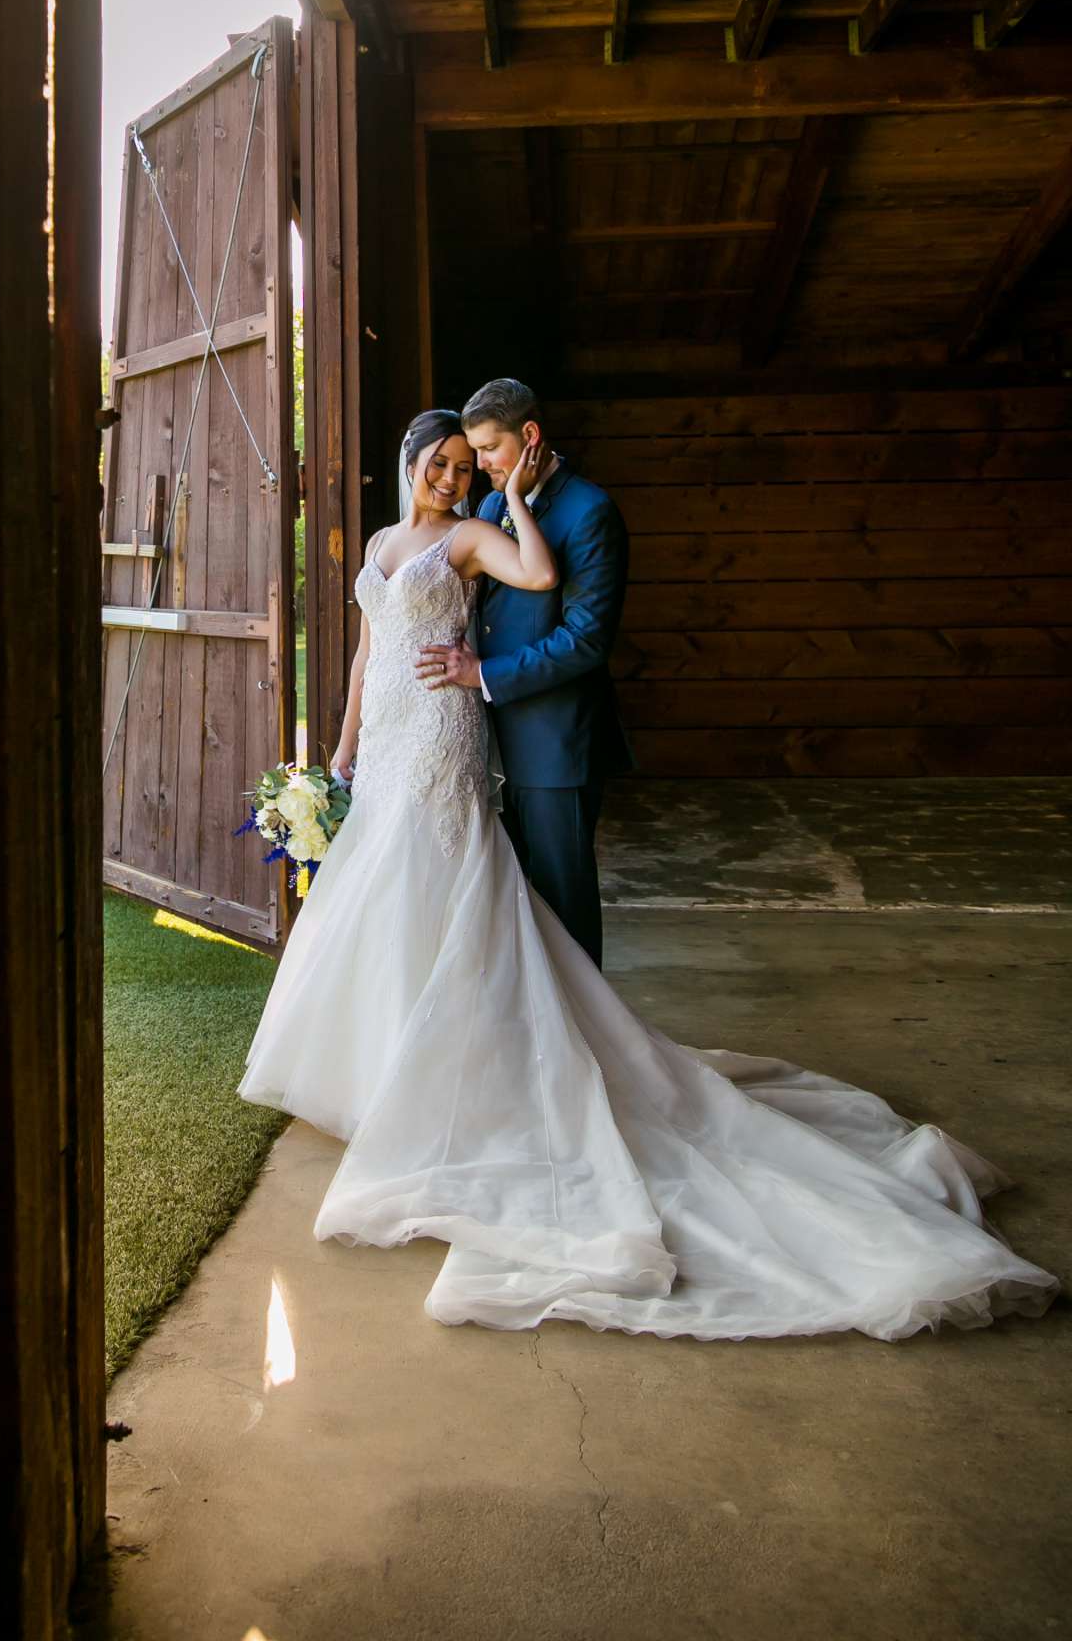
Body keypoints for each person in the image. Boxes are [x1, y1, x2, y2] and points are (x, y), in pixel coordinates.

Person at [237, 402, 1058, 1341]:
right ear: (413, 456)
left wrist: (508, 503)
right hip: (383, 739)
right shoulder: (384, 539)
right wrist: (340, 750)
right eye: (448, 461)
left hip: (443, 733)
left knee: (454, 890)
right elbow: (365, 656)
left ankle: (471, 1076)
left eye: (472, 463)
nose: (456, 476)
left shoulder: (478, 531)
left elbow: (541, 576)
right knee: (384, 896)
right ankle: (380, 1069)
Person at [416, 377, 630, 969]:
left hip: (556, 742)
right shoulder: (489, 506)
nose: (478, 465)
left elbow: (584, 639)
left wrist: (484, 674)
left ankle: (584, 1044)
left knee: (563, 901)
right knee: (510, 903)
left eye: (487, 450)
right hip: (484, 740)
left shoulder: (590, 512)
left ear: (529, 435)